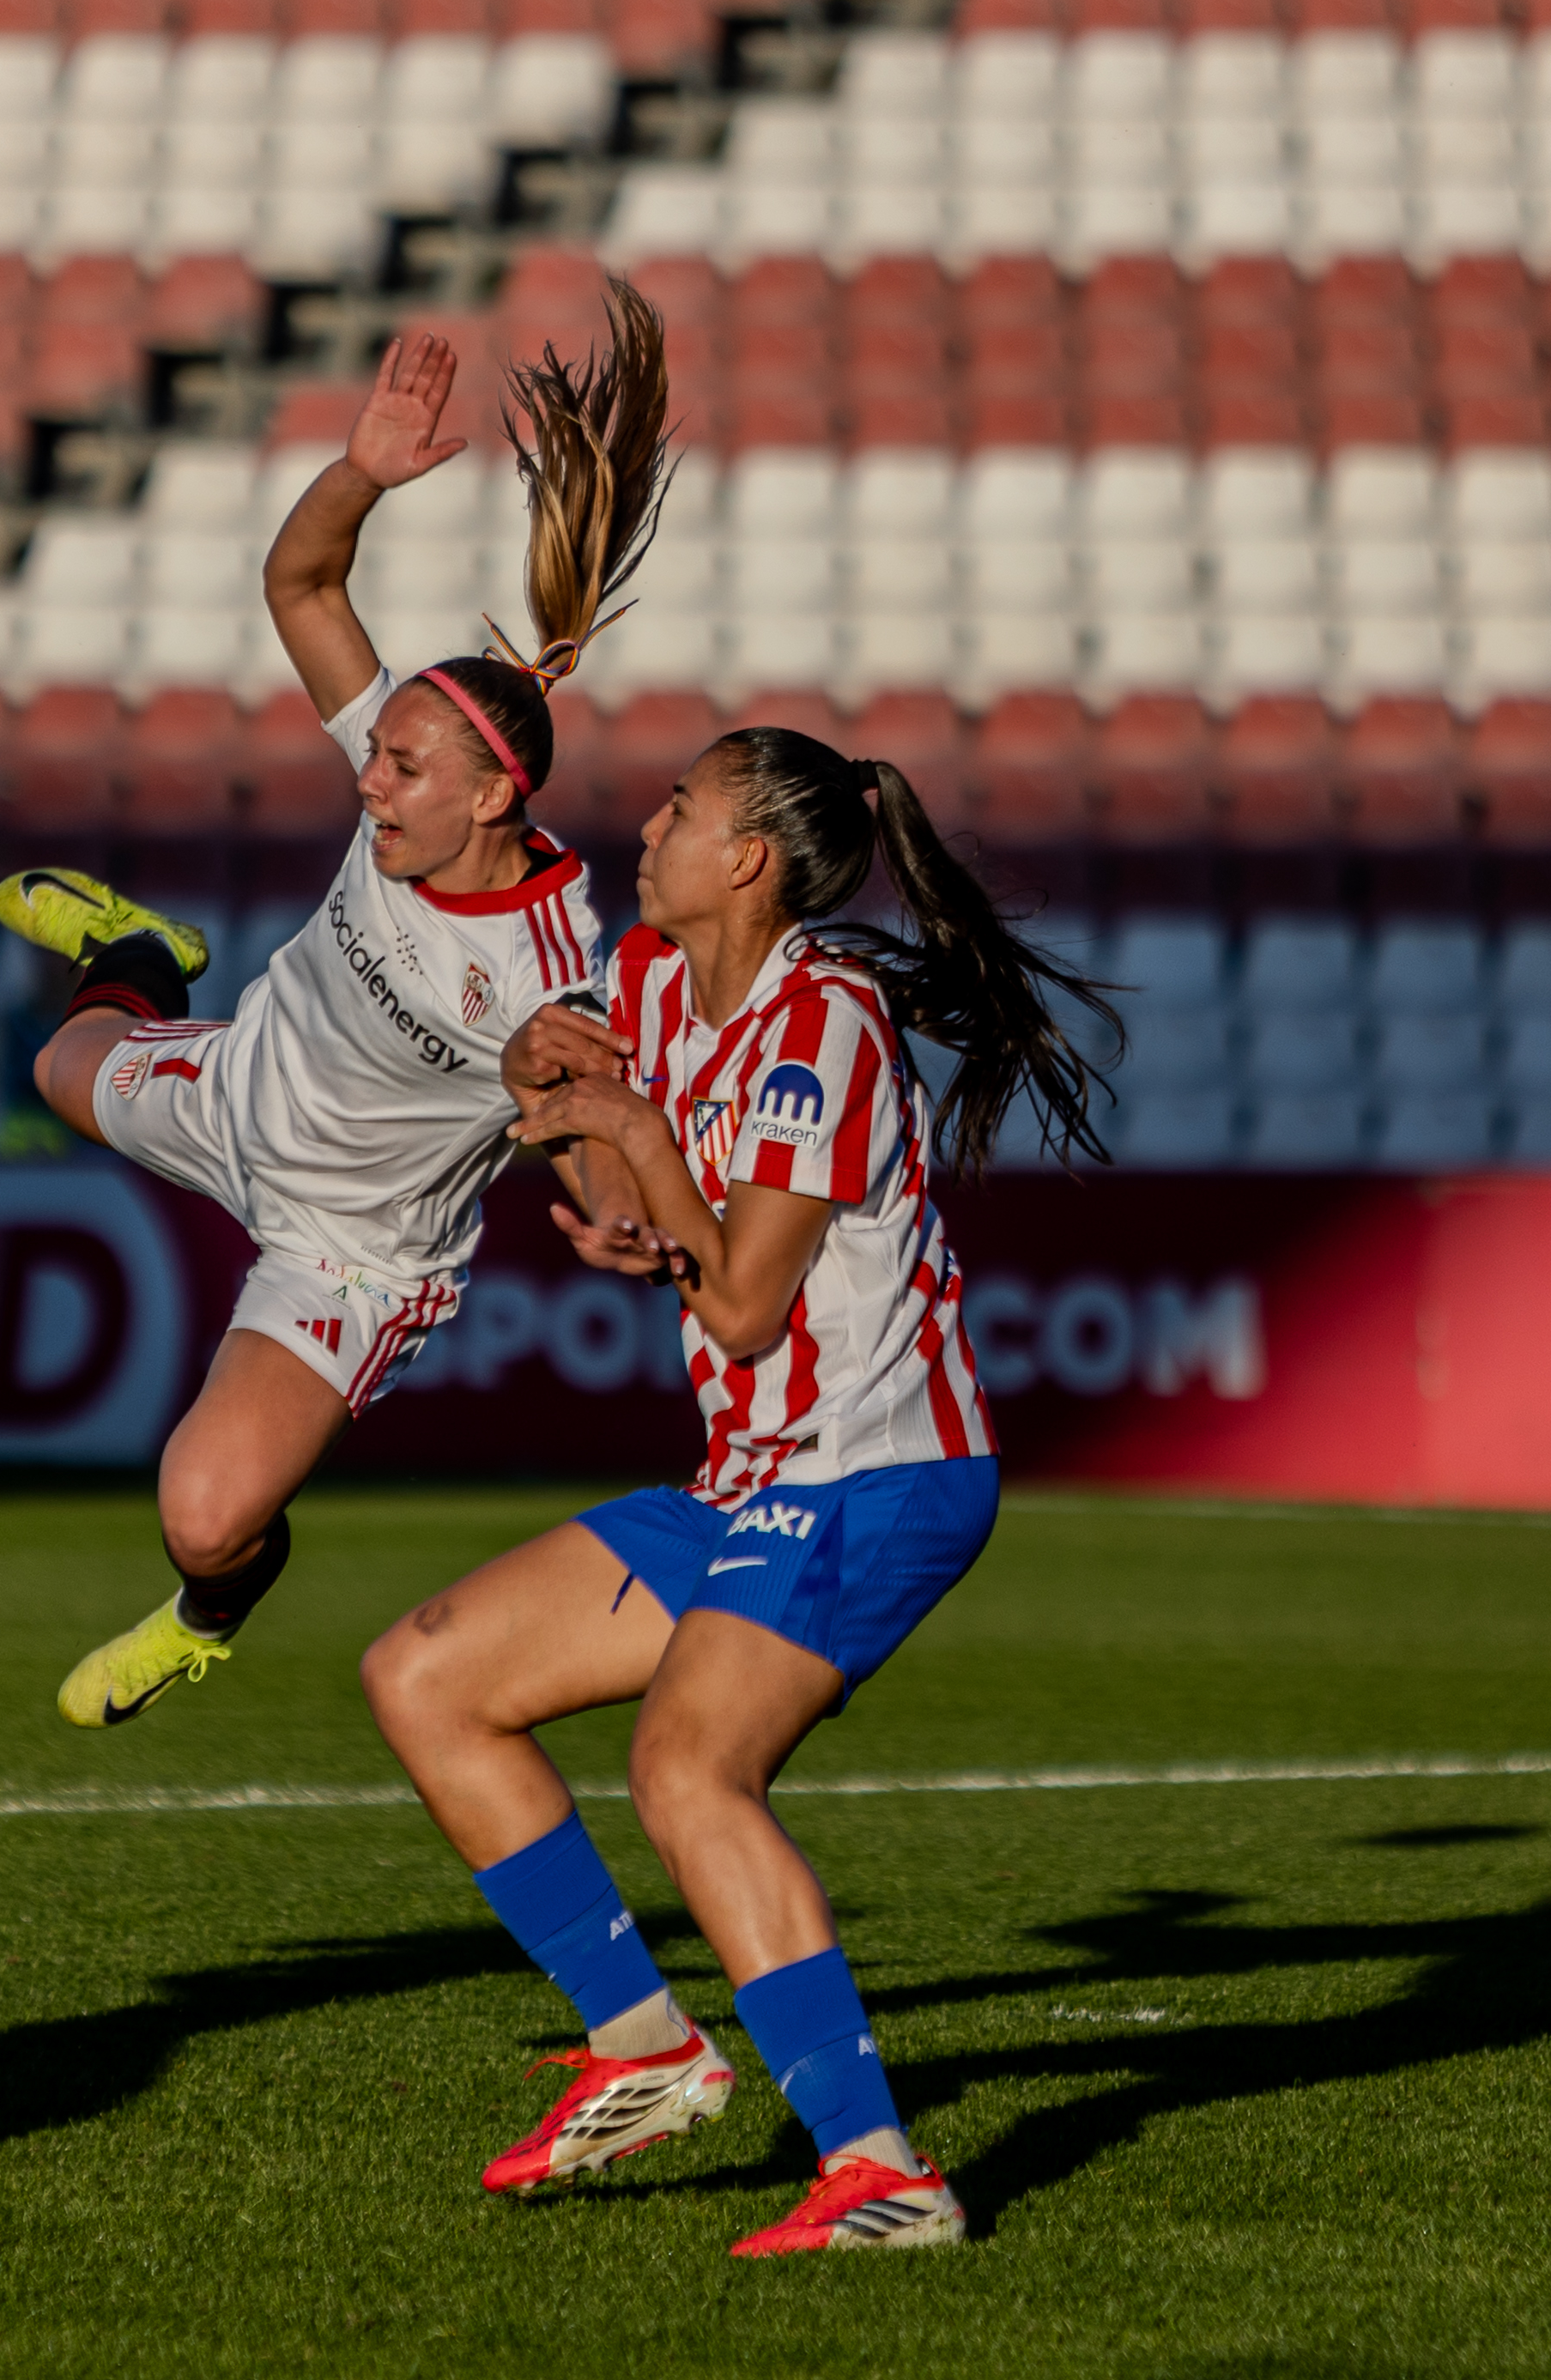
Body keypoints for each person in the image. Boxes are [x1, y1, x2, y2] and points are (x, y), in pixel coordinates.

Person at [355, 722, 1112, 2256]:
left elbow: (751, 1301)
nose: (649, 823)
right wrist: (562, 1117)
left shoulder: (822, 1018)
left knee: (689, 1771)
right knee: (425, 1674)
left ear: (749, 859)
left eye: (681, 807)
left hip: (875, 1470)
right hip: (751, 1472)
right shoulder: (646, 975)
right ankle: (643, 2043)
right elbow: (648, 1214)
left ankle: (879, 2171)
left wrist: (627, 1132)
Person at [0, 288, 669, 1729]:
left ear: (496, 793)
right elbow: (301, 588)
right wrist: (358, 472)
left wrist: (612, 1198)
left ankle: (204, 1619)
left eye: (407, 769)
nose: (372, 780)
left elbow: (581, 1112)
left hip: (351, 1251)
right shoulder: (403, 763)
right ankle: (138, 948)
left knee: (204, 1512)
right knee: (62, 1053)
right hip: (237, 1085)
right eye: (380, 753)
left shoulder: (549, 965)